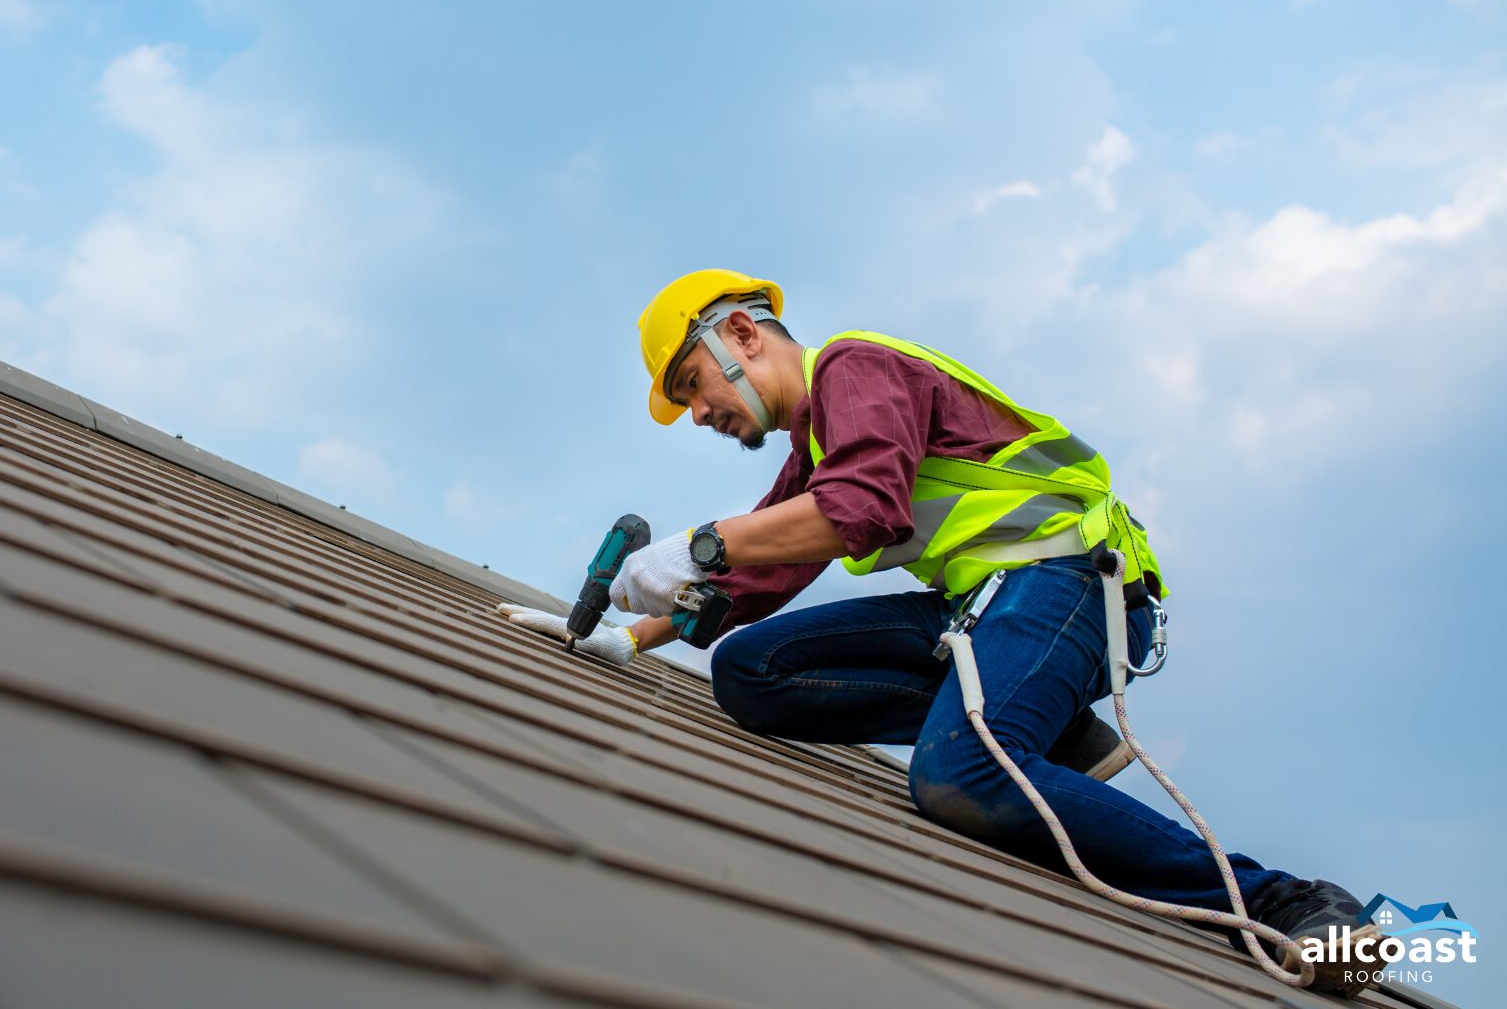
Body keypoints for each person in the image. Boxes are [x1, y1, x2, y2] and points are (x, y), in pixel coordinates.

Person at [501, 269, 1383, 994]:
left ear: (740, 336)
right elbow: (756, 574)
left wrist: (702, 542)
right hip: (987, 606)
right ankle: (1040, 729)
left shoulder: (857, 369)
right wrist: (630, 638)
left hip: (1064, 581)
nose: (699, 413)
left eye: (691, 386)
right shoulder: (814, 446)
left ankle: (1292, 903)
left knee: (958, 776)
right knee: (749, 670)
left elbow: (857, 510)